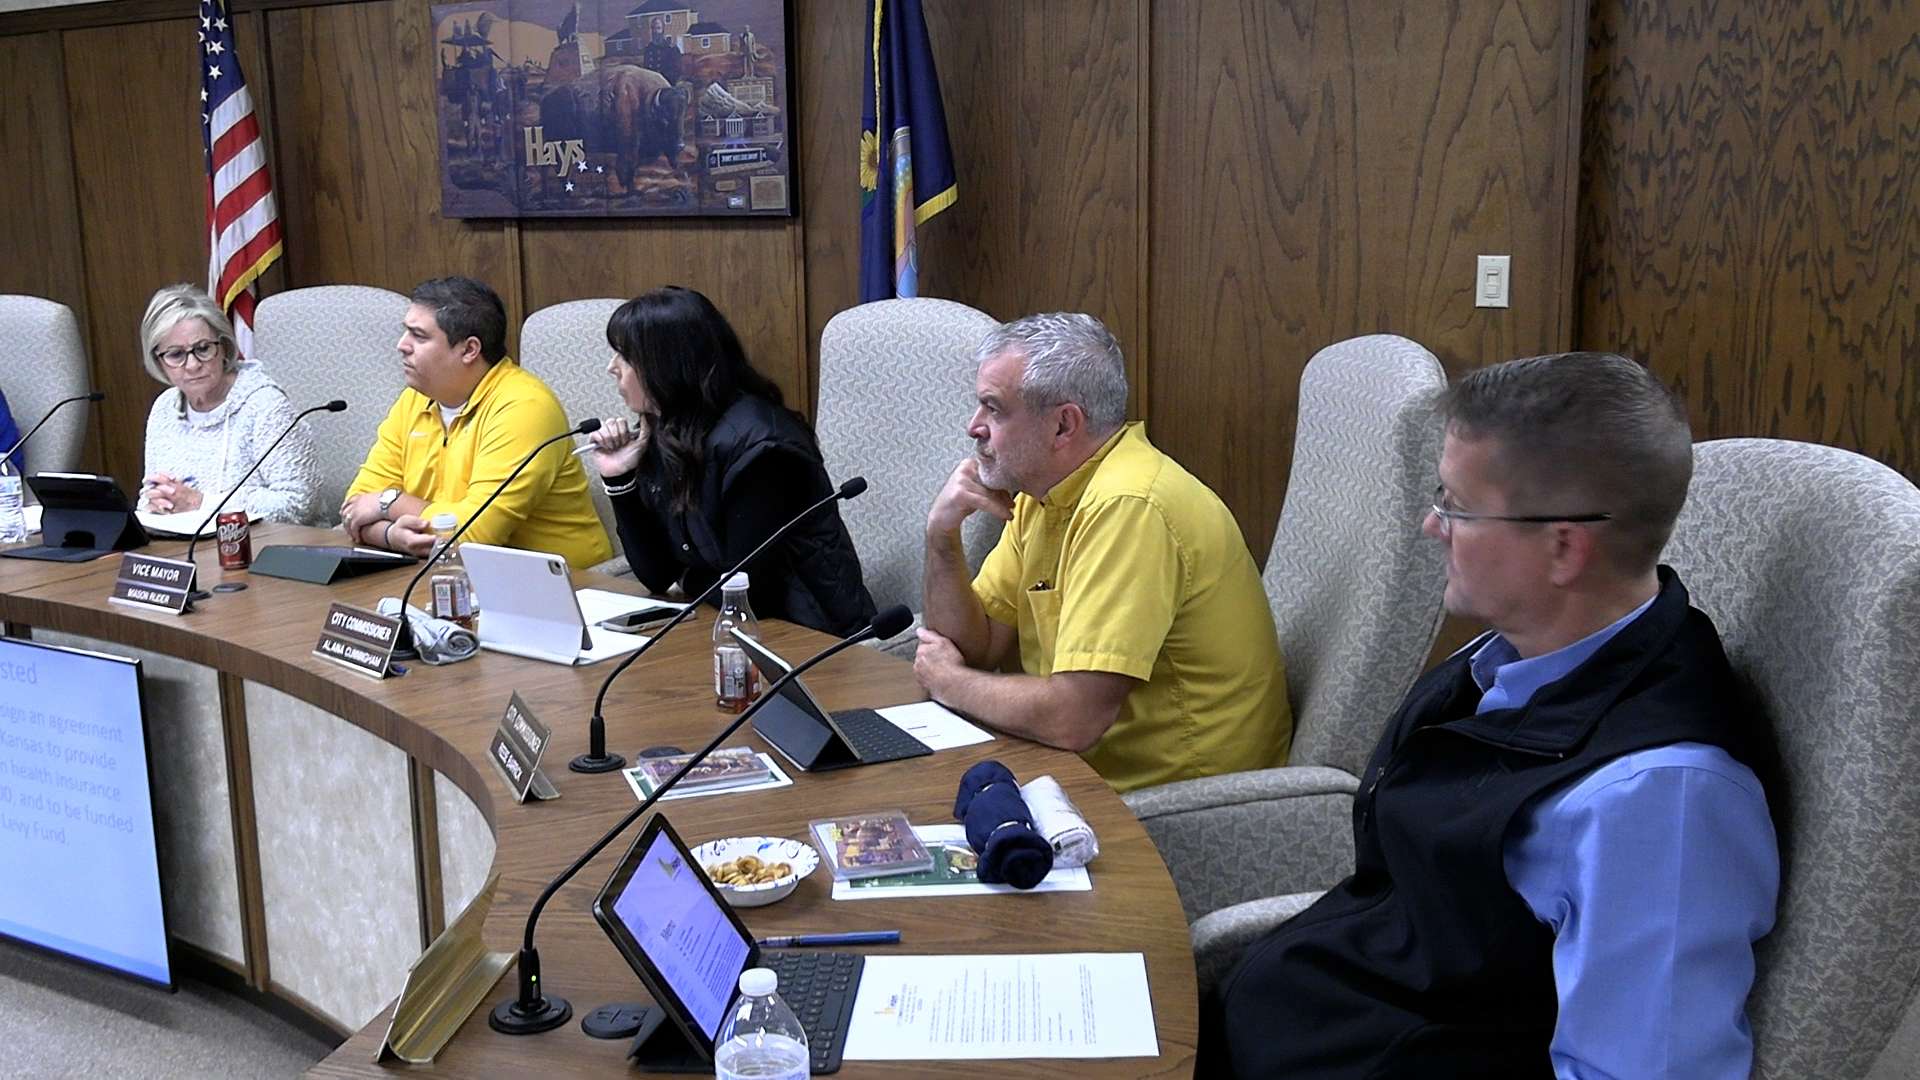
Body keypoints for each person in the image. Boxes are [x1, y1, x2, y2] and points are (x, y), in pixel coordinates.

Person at [1209, 352, 1779, 1078]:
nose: (1431, 524)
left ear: (1564, 546)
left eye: (1456, 505)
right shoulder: (1516, 657)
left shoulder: (1660, 803)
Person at [913, 312, 1291, 794]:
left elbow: (1073, 718)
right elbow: (974, 649)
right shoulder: (1042, 494)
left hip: (1185, 803)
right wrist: (941, 538)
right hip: (1078, 773)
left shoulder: (1129, 505)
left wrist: (949, 682)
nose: (974, 427)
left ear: (1063, 425)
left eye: (994, 409)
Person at [583, 286, 874, 635]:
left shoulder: (763, 448)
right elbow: (657, 575)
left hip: (812, 636)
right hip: (730, 628)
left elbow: (751, 594)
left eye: (625, 357)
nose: (612, 368)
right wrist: (619, 479)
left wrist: (689, 577)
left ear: (667, 364)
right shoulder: (669, 431)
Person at [341, 276, 611, 568]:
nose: (401, 345)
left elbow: (471, 536)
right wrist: (392, 535)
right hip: (445, 571)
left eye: (419, 336)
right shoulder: (415, 399)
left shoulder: (524, 407)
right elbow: (355, 507)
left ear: (469, 350)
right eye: (405, 331)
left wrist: (389, 502)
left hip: (561, 583)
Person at [138, 284, 321, 523]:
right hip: (185, 541)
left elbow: (299, 503)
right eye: (176, 355)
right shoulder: (164, 408)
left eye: (203, 349)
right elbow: (150, 493)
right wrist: (156, 503)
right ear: (158, 361)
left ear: (223, 346)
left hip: (270, 542)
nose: (193, 365)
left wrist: (201, 503)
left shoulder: (265, 405)